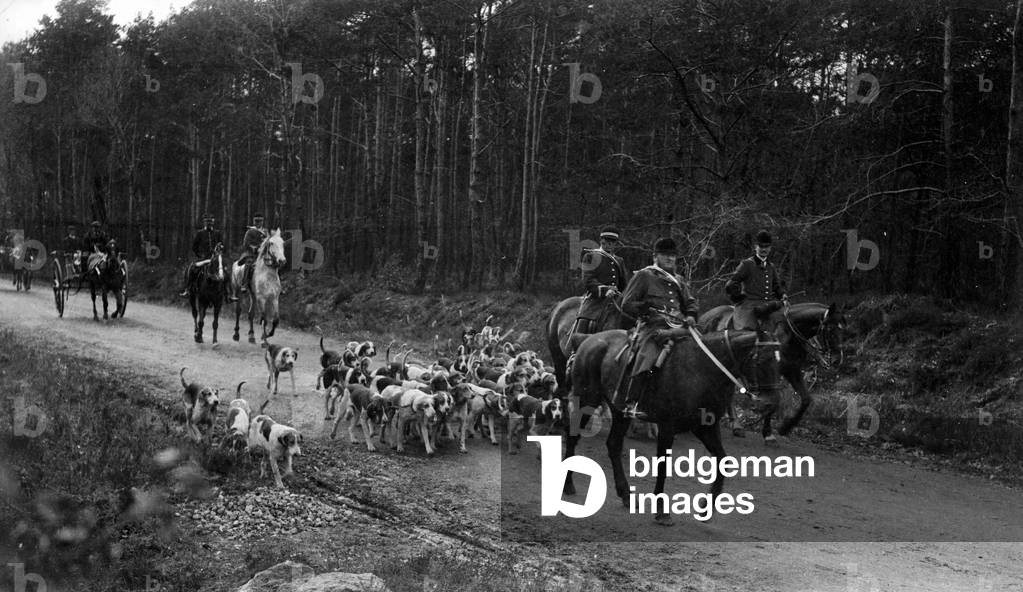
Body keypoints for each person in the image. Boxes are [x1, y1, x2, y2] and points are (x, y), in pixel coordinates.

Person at [616, 237, 699, 420]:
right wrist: (643, 308)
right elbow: (626, 304)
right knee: (647, 356)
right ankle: (633, 402)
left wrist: (691, 315)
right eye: (666, 255)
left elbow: (690, 302)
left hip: (680, 327)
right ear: (655, 256)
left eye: (673, 256)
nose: (670, 259)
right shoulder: (644, 276)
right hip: (652, 326)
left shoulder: (678, 280)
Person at [724, 229, 788, 331]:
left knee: (786, 324)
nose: (764, 249)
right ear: (755, 247)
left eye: (766, 247)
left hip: (767, 305)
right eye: (761, 246)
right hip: (749, 306)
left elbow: (776, 286)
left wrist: (782, 294)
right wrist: (739, 298)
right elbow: (731, 283)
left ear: (770, 248)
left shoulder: (771, 266)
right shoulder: (747, 264)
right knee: (748, 333)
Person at [576, 227, 630, 335]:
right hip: (596, 299)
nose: (609, 244)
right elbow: (588, 280)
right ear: (601, 240)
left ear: (616, 244)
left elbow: (624, 283)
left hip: (616, 298)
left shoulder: (619, 261)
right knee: (585, 319)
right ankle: (576, 348)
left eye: (613, 241)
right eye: (607, 240)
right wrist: (606, 290)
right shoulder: (590, 256)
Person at [180, 213, 224, 298]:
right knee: (191, 269)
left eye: (210, 221)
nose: (209, 223)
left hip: (215, 259)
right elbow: (194, 247)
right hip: (203, 258)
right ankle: (188, 289)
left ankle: (227, 293)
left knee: (225, 272)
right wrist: (199, 255)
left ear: (213, 222)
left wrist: (220, 247)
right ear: (204, 223)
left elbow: (222, 245)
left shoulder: (217, 233)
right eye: (207, 222)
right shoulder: (200, 233)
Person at [229, 213, 268, 302]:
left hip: (263, 255)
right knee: (249, 264)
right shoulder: (250, 231)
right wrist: (254, 248)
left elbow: (268, 242)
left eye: (260, 221)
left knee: (273, 263)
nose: (258, 223)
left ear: (262, 222)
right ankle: (244, 283)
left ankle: (276, 284)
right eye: (257, 221)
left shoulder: (265, 232)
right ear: (254, 222)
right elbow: (246, 243)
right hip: (251, 254)